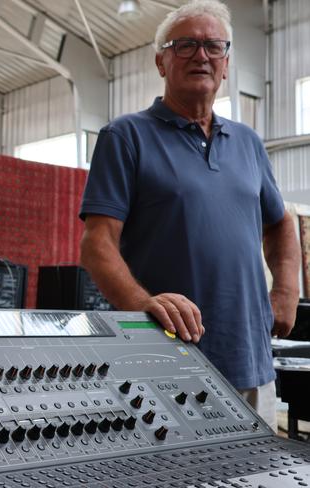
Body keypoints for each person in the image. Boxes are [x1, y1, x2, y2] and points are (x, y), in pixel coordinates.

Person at [79, 0, 300, 431]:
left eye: (213, 46)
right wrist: (142, 304)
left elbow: (279, 222)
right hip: (167, 363)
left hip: (251, 362)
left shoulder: (249, 143)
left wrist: (286, 289)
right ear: (161, 62)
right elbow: (97, 243)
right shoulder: (125, 137)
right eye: (185, 45)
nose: (201, 55)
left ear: (227, 64)